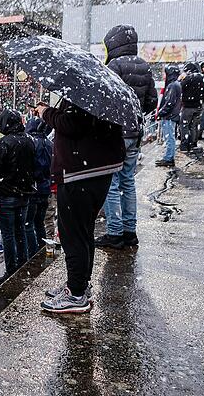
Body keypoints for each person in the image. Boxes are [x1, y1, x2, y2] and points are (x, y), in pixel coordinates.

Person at [38, 99, 125, 313]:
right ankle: (79, 284)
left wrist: (45, 112)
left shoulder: (83, 98)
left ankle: (76, 293)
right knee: (84, 232)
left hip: (80, 175)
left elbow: (72, 124)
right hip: (94, 172)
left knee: (73, 235)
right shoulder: (99, 96)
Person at [96, 25, 157, 250]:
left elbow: (106, 102)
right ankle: (130, 231)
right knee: (128, 182)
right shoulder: (144, 65)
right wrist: (135, 115)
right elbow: (152, 102)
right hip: (135, 132)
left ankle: (115, 233)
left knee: (111, 184)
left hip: (116, 134)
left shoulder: (114, 66)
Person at [0, 109, 36, 277]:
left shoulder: (3, 144)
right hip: (25, 194)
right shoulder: (30, 140)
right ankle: (23, 263)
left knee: (8, 234)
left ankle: (12, 269)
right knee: (20, 230)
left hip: (7, 196)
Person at [24, 117, 53, 256]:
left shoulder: (31, 143)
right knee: (39, 222)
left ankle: (33, 253)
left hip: (34, 189)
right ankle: (41, 250)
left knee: (28, 224)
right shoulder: (49, 143)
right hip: (45, 188)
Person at [156, 65, 183, 167]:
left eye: (164, 73)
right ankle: (168, 157)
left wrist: (160, 113)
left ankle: (168, 158)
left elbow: (169, 103)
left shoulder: (172, 86)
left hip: (169, 116)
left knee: (169, 138)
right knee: (170, 137)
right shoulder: (176, 84)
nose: (163, 75)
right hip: (172, 116)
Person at [179, 63, 204, 152]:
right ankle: (193, 144)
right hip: (199, 105)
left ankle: (184, 145)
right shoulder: (202, 77)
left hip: (188, 106)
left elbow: (180, 87)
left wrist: (180, 79)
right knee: (194, 126)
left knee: (184, 125)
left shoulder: (188, 77)